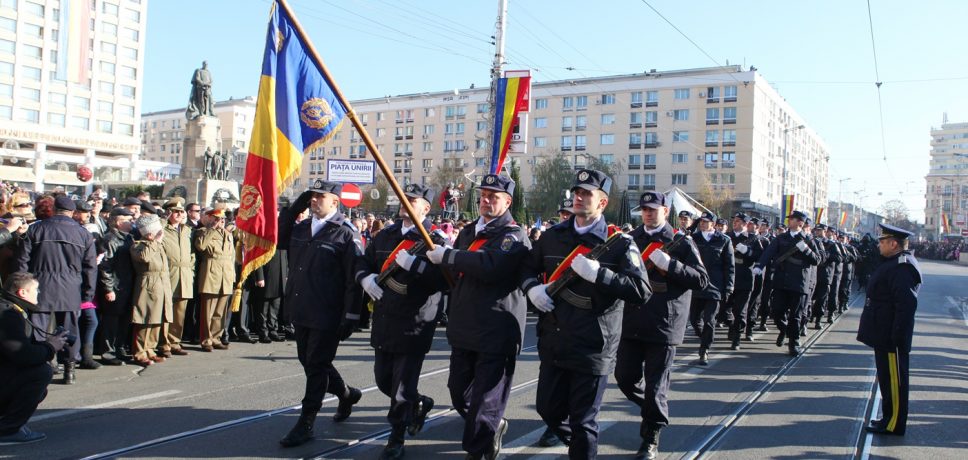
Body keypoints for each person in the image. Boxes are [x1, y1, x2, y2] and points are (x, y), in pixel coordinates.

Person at [520, 169, 650, 458]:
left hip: (593, 345)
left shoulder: (619, 244)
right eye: (576, 192)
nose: (578, 197)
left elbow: (641, 290)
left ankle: (582, 451)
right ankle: (580, 447)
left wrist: (601, 275)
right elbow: (527, 266)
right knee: (548, 410)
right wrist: (531, 288)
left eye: (586, 193)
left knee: (583, 421)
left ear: (602, 203)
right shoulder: (553, 236)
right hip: (554, 337)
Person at [424, 174, 530, 460]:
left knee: (486, 401)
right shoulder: (469, 231)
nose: (486, 200)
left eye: (494, 196)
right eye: (484, 195)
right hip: (466, 326)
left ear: (508, 201)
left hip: (496, 329)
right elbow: (457, 273)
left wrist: (449, 256)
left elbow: (490, 266)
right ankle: (491, 425)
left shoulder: (513, 235)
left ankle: (479, 449)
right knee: (459, 394)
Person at [357, 183, 449, 459]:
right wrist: (366, 278)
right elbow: (365, 261)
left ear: (426, 208)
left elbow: (445, 281)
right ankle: (419, 402)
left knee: (401, 387)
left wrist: (416, 265)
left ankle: (396, 436)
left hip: (415, 321)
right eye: (404, 199)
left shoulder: (435, 240)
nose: (405, 203)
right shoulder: (386, 236)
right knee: (384, 379)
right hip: (385, 317)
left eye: (412, 200)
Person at [615, 191, 708, 460]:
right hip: (632, 321)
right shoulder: (632, 239)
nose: (647, 213)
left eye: (653, 209)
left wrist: (672, 266)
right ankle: (655, 411)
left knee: (656, 386)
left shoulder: (680, 242)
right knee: (624, 378)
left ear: (665, 212)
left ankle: (651, 436)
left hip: (665, 324)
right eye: (644, 209)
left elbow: (701, 279)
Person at [276, 180, 365, 448]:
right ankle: (346, 394)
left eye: (319, 197)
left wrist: (351, 315)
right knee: (310, 360)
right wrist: (294, 208)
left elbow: (353, 279)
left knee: (316, 365)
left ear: (335, 202)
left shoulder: (346, 234)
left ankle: (306, 422)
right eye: (311, 197)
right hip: (301, 306)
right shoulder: (302, 228)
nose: (314, 201)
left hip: (328, 311)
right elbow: (280, 239)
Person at [17, 195, 97, 384]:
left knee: (40, 330)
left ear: (54, 209)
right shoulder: (83, 233)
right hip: (70, 288)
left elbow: (22, 262)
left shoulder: (36, 229)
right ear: (72, 212)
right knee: (69, 329)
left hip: (39, 287)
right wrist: (88, 293)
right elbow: (90, 267)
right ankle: (69, 369)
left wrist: (21, 289)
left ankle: (43, 364)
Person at [857, 224, 920, 436]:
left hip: (891, 336)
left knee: (895, 383)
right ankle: (888, 418)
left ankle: (893, 423)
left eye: (882, 241)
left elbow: (905, 305)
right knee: (887, 380)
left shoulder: (902, 267)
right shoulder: (893, 262)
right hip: (883, 333)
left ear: (894, 244)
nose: (879, 244)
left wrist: (897, 337)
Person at [0, 272, 69, 445]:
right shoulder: (8, 314)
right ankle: (8, 429)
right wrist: (50, 347)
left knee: (38, 385)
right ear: (22, 293)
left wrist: (47, 344)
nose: (38, 293)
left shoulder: (11, 309)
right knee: (41, 373)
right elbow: (22, 354)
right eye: (36, 290)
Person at [753, 211, 821, 356]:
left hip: (799, 283)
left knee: (796, 315)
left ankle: (793, 342)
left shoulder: (809, 240)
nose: (789, 221)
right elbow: (769, 252)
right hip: (781, 281)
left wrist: (806, 250)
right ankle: (784, 329)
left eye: (792, 219)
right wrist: (760, 265)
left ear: (800, 223)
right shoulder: (781, 238)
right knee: (777, 311)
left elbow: (817, 260)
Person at [689, 211, 734, 364]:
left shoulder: (723, 240)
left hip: (715, 287)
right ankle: (705, 337)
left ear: (713, 224)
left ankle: (704, 349)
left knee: (709, 320)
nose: (702, 224)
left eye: (706, 221)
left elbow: (729, 266)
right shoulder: (693, 239)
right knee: (694, 320)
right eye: (700, 221)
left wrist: (729, 287)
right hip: (696, 285)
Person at [129, 215, 172, 366]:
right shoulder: (138, 245)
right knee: (145, 319)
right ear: (149, 233)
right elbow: (145, 257)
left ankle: (151, 349)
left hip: (162, 283)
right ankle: (139, 352)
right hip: (148, 284)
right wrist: (155, 242)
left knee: (157, 319)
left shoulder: (157, 244)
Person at [96, 208, 136, 365]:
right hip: (115, 287)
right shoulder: (110, 239)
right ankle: (108, 352)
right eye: (128, 220)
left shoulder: (129, 238)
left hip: (127, 286)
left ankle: (119, 348)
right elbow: (106, 267)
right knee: (111, 322)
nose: (131, 222)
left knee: (124, 319)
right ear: (119, 223)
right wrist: (108, 289)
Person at [194, 207, 236, 352]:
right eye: (217, 219)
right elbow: (201, 246)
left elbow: (231, 256)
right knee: (208, 311)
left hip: (226, 274)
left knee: (220, 311)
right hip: (211, 273)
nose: (221, 221)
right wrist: (211, 229)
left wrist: (233, 276)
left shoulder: (228, 234)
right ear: (210, 219)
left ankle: (216, 338)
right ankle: (206, 340)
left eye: (223, 219)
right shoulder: (203, 232)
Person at [725, 212, 765, 349]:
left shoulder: (753, 239)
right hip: (728, 278)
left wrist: (748, 252)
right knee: (725, 310)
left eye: (737, 221)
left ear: (745, 224)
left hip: (744, 279)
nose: (734, 223)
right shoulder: (727, 237)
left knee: (740, 311)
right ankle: (731, 325)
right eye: (734, 221)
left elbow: (760, 257)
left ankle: (737, 338)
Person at [160, 198, 193, 357]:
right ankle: (164, 343)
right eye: (176, 211)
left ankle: (175, 341)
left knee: (179, 313)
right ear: (169, 213)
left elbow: (191, 254)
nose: (179, 214)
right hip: (169, 274)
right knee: (166, 312)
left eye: (181, 211)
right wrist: (163, 218)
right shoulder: (163, 229)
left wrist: (191, 270)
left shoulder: (186, 230)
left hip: (184, 275)